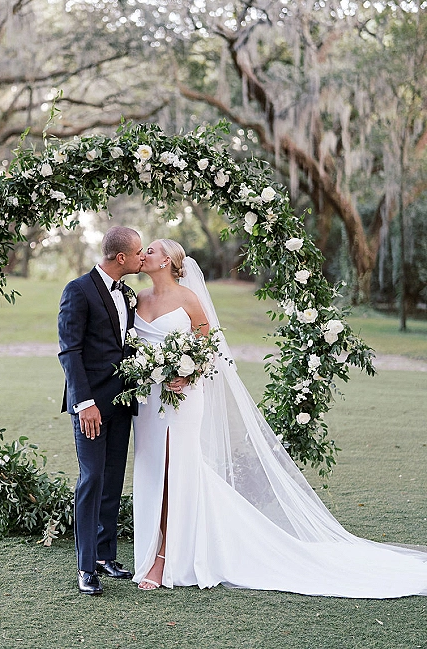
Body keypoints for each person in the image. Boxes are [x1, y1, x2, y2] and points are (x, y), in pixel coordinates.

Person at [132, 239, 427, 597]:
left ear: (167, 261)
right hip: (148, 400)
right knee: (152, 468)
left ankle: (166, 557)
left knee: (175, 467)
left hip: (183, 396)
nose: (142, 254)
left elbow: (209, 349)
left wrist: (186, 374)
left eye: (150, 250)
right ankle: (162, 545)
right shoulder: (138, 299)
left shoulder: (189, 299)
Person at [58, 226, 145, 595]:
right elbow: (70, 351)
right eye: (139, 253)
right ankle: (85, 568)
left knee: (111, 481)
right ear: (121, 257)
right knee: (91, 479)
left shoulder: (128, 293)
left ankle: (105, 556)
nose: (144, 258)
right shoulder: (77, 291)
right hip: (90, 406)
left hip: (123, 402)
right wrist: (84, 404)